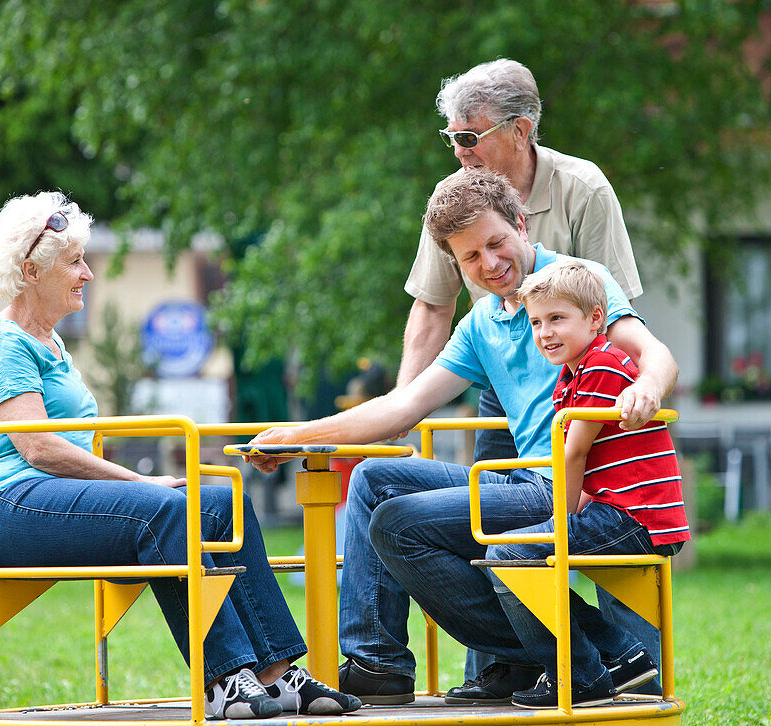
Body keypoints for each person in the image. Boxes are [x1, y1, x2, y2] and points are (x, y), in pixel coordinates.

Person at [244, 170, 678, 706]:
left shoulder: (573, 282)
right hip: (526, 480)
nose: (490, 265)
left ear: (521, 223)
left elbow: (652, 352)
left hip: (571, 484)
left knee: (399, 526)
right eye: (471, 257)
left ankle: (595, 650)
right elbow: (402, 409)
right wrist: (296, 435)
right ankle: (377, 660)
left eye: (496, 244)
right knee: (375, 479)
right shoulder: (481, 323)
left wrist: (649, 389)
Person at [0, 191, 361, 720]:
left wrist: (136, 486)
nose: (88, 274)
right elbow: (38, 446)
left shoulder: (52, 344)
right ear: (32, 270)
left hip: (54, 499)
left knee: (221, 505)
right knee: (165, 509)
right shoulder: (0, 343)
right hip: (8, 509)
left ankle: (275, 673)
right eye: (75, 262)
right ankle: (223, 680)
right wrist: (137, 483)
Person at [399, 59, 652, 684]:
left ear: (521, 129)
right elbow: (432, 309)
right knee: (483, 526)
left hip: (583, 392)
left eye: (469, 136)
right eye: (451, 138)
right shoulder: (461, 204)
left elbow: (613, 308)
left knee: (589, 523)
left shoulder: (582, 188)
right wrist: (402, 409)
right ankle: (509, 666)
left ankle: (635, 666)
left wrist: (612, 404)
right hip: (507, 394)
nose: (458, 152)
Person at [479, 260, 690, 709]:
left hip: (638, 519)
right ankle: (619, 655)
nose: (545, 333)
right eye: (536, 322)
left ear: (596, 318)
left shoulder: (602, 365)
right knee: (512, 554)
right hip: (616, 511)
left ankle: (581, 675)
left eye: (557, 318)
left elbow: (573, 453)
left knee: (511, 555)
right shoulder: (570, 375)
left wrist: (559, 521)